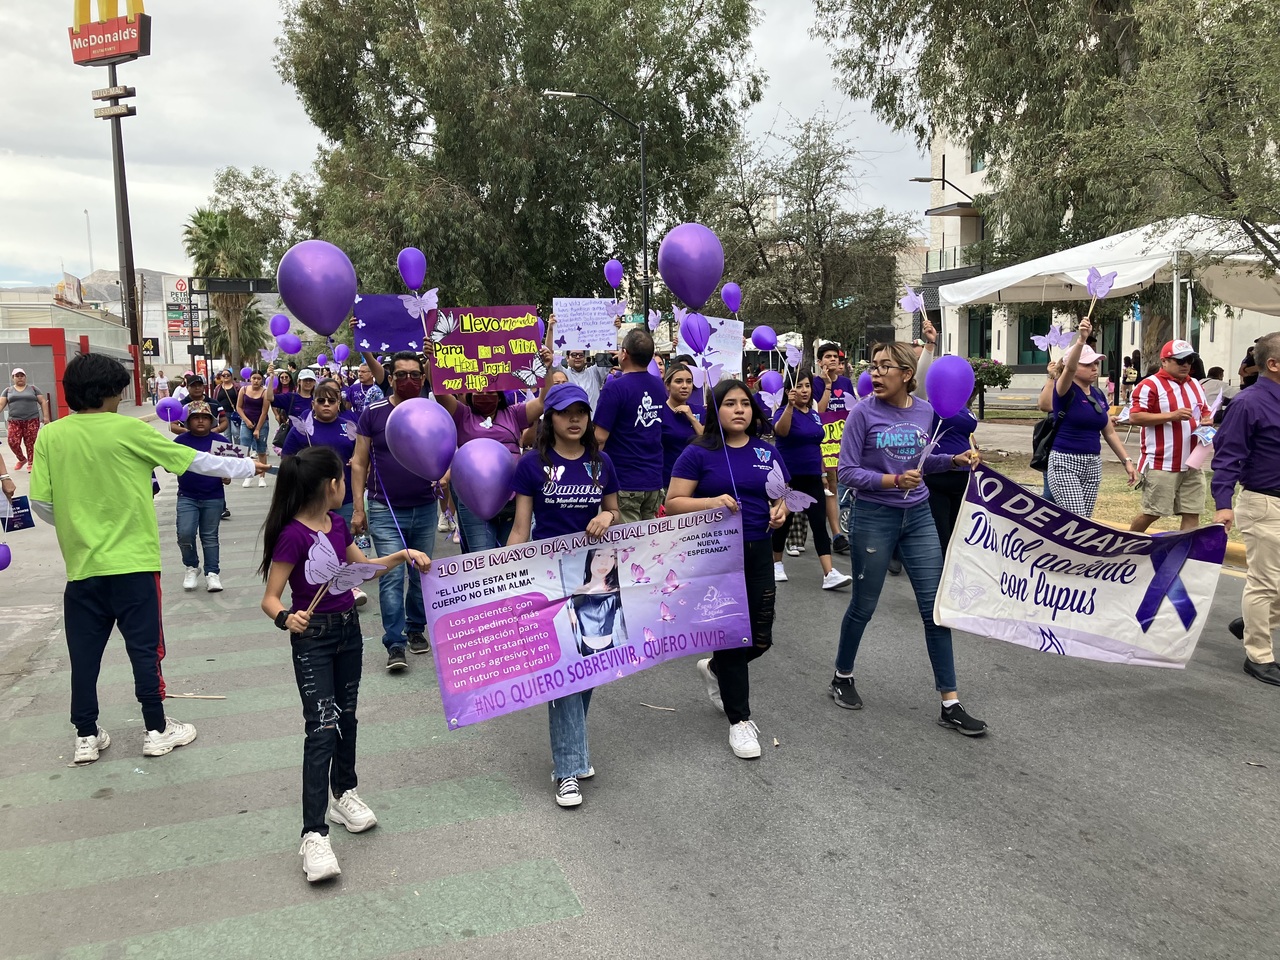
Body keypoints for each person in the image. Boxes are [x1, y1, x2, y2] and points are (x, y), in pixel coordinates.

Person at [28, 353, 268, 765]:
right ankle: (156, 730)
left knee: (83, 657)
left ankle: (85, 735)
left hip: (82, 568)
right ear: (108, 392)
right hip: (134, 565)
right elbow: (194, 461)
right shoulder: (130, 430)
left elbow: (41, 503)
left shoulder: (50, 435)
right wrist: (248, 466)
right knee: (145, 650)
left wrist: (78, 527)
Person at [259, 446, 430, 881]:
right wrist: (286, 618)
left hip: (348, 633)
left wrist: (403, 556)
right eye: (343, 479)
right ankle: (313, 834)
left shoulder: (336, 526)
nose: (347, 488)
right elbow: (271, 598)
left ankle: (344, 793)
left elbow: (365, 570)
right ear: (331, 484)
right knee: (321, 730)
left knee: (347, 718)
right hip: (313, 639)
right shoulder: (292, 535)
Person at [829, 341, 986, 735]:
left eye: (885, 366)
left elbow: (922, 462)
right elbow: (846, 471)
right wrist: (892, 481)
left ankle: (950, 703)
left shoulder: (925, 411)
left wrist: (953, 460)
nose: (875, 373)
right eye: (873, 366)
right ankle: (842, 676)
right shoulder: (863, 412)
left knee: (935, 610)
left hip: (917, 516)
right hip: (873, 516)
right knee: (863, 606)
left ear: (907, 374)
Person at [509, 382, 620, 807]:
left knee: (589, 665)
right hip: (547, 578)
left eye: (581, 411)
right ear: (549, 418)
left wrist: (607, 516)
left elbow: (615, 510)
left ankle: (572, 747)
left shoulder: (601, 462)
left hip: (596, 575)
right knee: (564, 671)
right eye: (564, 412)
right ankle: (568, 768)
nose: (574, 419)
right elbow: (521, 528)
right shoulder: (531, 465)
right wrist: (505, 575)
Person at [666, 379, 790, 760]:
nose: (739, 410)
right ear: (715, 410)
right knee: (733, 632)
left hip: (758, 551)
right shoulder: (698, 453)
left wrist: (780, 510)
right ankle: (740, 721)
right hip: (717, 556)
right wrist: (711, 502)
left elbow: (782, 496)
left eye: (745, 404)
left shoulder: (766, 452)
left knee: (761, 638)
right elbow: (673, 502)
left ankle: (716, 668)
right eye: (730, 403)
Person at [351, 351, 439, 669]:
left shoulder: (431, 412)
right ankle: (395, 643)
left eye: (415, 374)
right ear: (390, 377)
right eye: (401, 375)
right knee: (391, 576)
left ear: (423, 377)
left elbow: (447, 449)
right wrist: (358, 508)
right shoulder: (373, 414)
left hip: (425, 507)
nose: (408, 380)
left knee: (420, 573)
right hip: (384, 508)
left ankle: (415, 628)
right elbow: (359, 462)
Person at [1212, 331, 1280, 686]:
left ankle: (1256, 620)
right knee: (1265, 583)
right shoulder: (1248, 403)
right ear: (1273, 364)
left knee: (1270, 588)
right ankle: (1259, 656)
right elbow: (1228, 456)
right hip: (1265, 503)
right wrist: (1223, 504)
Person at [434, 346, 552, 550]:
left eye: (490, 391)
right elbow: (440, 393)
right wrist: (433, 359)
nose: (485, 394)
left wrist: (546, 369)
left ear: (499, 395)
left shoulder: (514, 414)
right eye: (479, 391)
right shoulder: (462, 415)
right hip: (473, 499)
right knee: (482, 557)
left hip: (512, 497)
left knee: (509, 556)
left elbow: (544, 401)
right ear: (470, 394)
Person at [770, 369, 851, 590]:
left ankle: (829, 573)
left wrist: (823, 474)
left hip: (813, 476)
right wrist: (789, 406)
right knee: (783, 523)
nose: (804, 390)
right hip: (788, 478)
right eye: (799, 386)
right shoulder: (783, 412)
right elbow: (781, 431)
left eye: (807, 386)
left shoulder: (814, 414)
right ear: (789, 390)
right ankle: (776, 564)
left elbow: (818, 446)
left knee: (818, 523)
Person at [1046, 320, 1137, 516]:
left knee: (1085, 520)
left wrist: (1127, 461)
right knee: (1077, 517)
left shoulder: (1098, 394)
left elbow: (1109, 432)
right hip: (1065, 462)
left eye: (1096, 363)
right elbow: (1069, 370)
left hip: (1093, 463)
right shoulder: (1064, 389)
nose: (1095, 368)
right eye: (1087, 364)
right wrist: (1081, 340)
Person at [1128, 339, 1212, 532]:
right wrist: (1171, 416)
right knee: (1152, 512)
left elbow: (1205, 411)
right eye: (1180, 360)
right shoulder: (1149, 385)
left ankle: (1184, 549)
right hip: (1162, 462)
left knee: (1192, 512)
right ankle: (1127, 544)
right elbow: (1135, 417)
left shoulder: (1195, 385)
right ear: (1164, 361)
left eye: (1190, 360)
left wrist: (1207, 419)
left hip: (1192, 461)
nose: (1185, 365)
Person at [595, 328, 667, 522]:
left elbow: (599, 438)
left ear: (624, 354)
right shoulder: (659, 385)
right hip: (654, 480)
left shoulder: (614, 387)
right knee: (649, 540)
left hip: (624, 480)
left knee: (628, 541)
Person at [281, 378, 360, 528]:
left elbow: (362, 460)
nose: (326, 404)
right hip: (310, 499)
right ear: (313, 404)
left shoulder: (350, 427)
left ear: (338, 404)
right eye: (321, 400)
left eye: (331, 401)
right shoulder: (301, 429)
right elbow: (287, 461)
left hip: (345, 499)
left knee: (342, 539)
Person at [173, 401, 233, 593]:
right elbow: (168, 465)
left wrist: (227, 476)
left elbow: (230, 468)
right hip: (187, 496)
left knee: (210, 536)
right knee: (185, 533)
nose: (200, 421)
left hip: (213, 496)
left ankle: (212, 573)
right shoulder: (180, 442)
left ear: (211, 421)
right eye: (196, 418)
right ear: (188, 422)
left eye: (205, 418)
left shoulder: (221, 442)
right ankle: (191, 566)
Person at [551, 317, 611, 411]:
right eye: (574, 355)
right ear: (567, 358)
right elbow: (549, 356)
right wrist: (550, 329)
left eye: (581, 355)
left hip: (592, 420)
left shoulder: (595, 373)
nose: (578, 357)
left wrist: (613, 329)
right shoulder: (562, 374)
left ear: (585, 357)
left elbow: (609, 354)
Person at [659, 363, 703, 491]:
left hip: (697, 481)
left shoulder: (700, 411)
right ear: (667, 385)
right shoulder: (660, 412)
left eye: (689, 382)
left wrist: (691, 418)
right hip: (667, 482)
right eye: (679, 381)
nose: (685, 386)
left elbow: (707, 440)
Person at [1, 368, 51, 470]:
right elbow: (1, 404)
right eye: (17, 376)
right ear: (13, 378)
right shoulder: (8, 391)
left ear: (25, 377)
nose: (20, 378)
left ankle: (31, 463)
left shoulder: (33, 389)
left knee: (30, 442)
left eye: (22, 376)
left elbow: (42, 401)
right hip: (14, 421)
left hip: (31, 420)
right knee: (12, 441)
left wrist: (46, 417)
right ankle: (22, 459)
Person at [236, 370, 273, 487]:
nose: (256, 381)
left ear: (262, 380)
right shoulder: (243, 390)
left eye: (258, 378)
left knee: (261, 450)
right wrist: (246, 420)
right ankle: (248, 475)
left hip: (261, 423)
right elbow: (239, 407)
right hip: (246, 422)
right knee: (244, 449)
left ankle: (262, 477)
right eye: (254, 378)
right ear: (250, 379)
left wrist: (257, 429)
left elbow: (264, 411)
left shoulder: (264, 392)